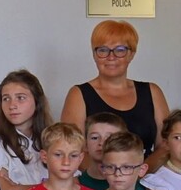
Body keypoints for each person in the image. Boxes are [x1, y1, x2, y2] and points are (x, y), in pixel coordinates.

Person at [60, 19, 170, 169]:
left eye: (120, 50)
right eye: (103, 50)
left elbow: (165, 146)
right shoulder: (78, 95)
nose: (111, 57)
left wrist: (136, 174)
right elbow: (73, 149)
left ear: (131, 54)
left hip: (146, 178)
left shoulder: (152, 92)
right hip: (96, 180)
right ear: (94, 55)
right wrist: (111, 176)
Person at [78, 112, 130, 190]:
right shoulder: (75, 184)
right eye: (95, 138)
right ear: (85, 144)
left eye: (109, 138)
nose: (101, 143)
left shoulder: (133, 186)